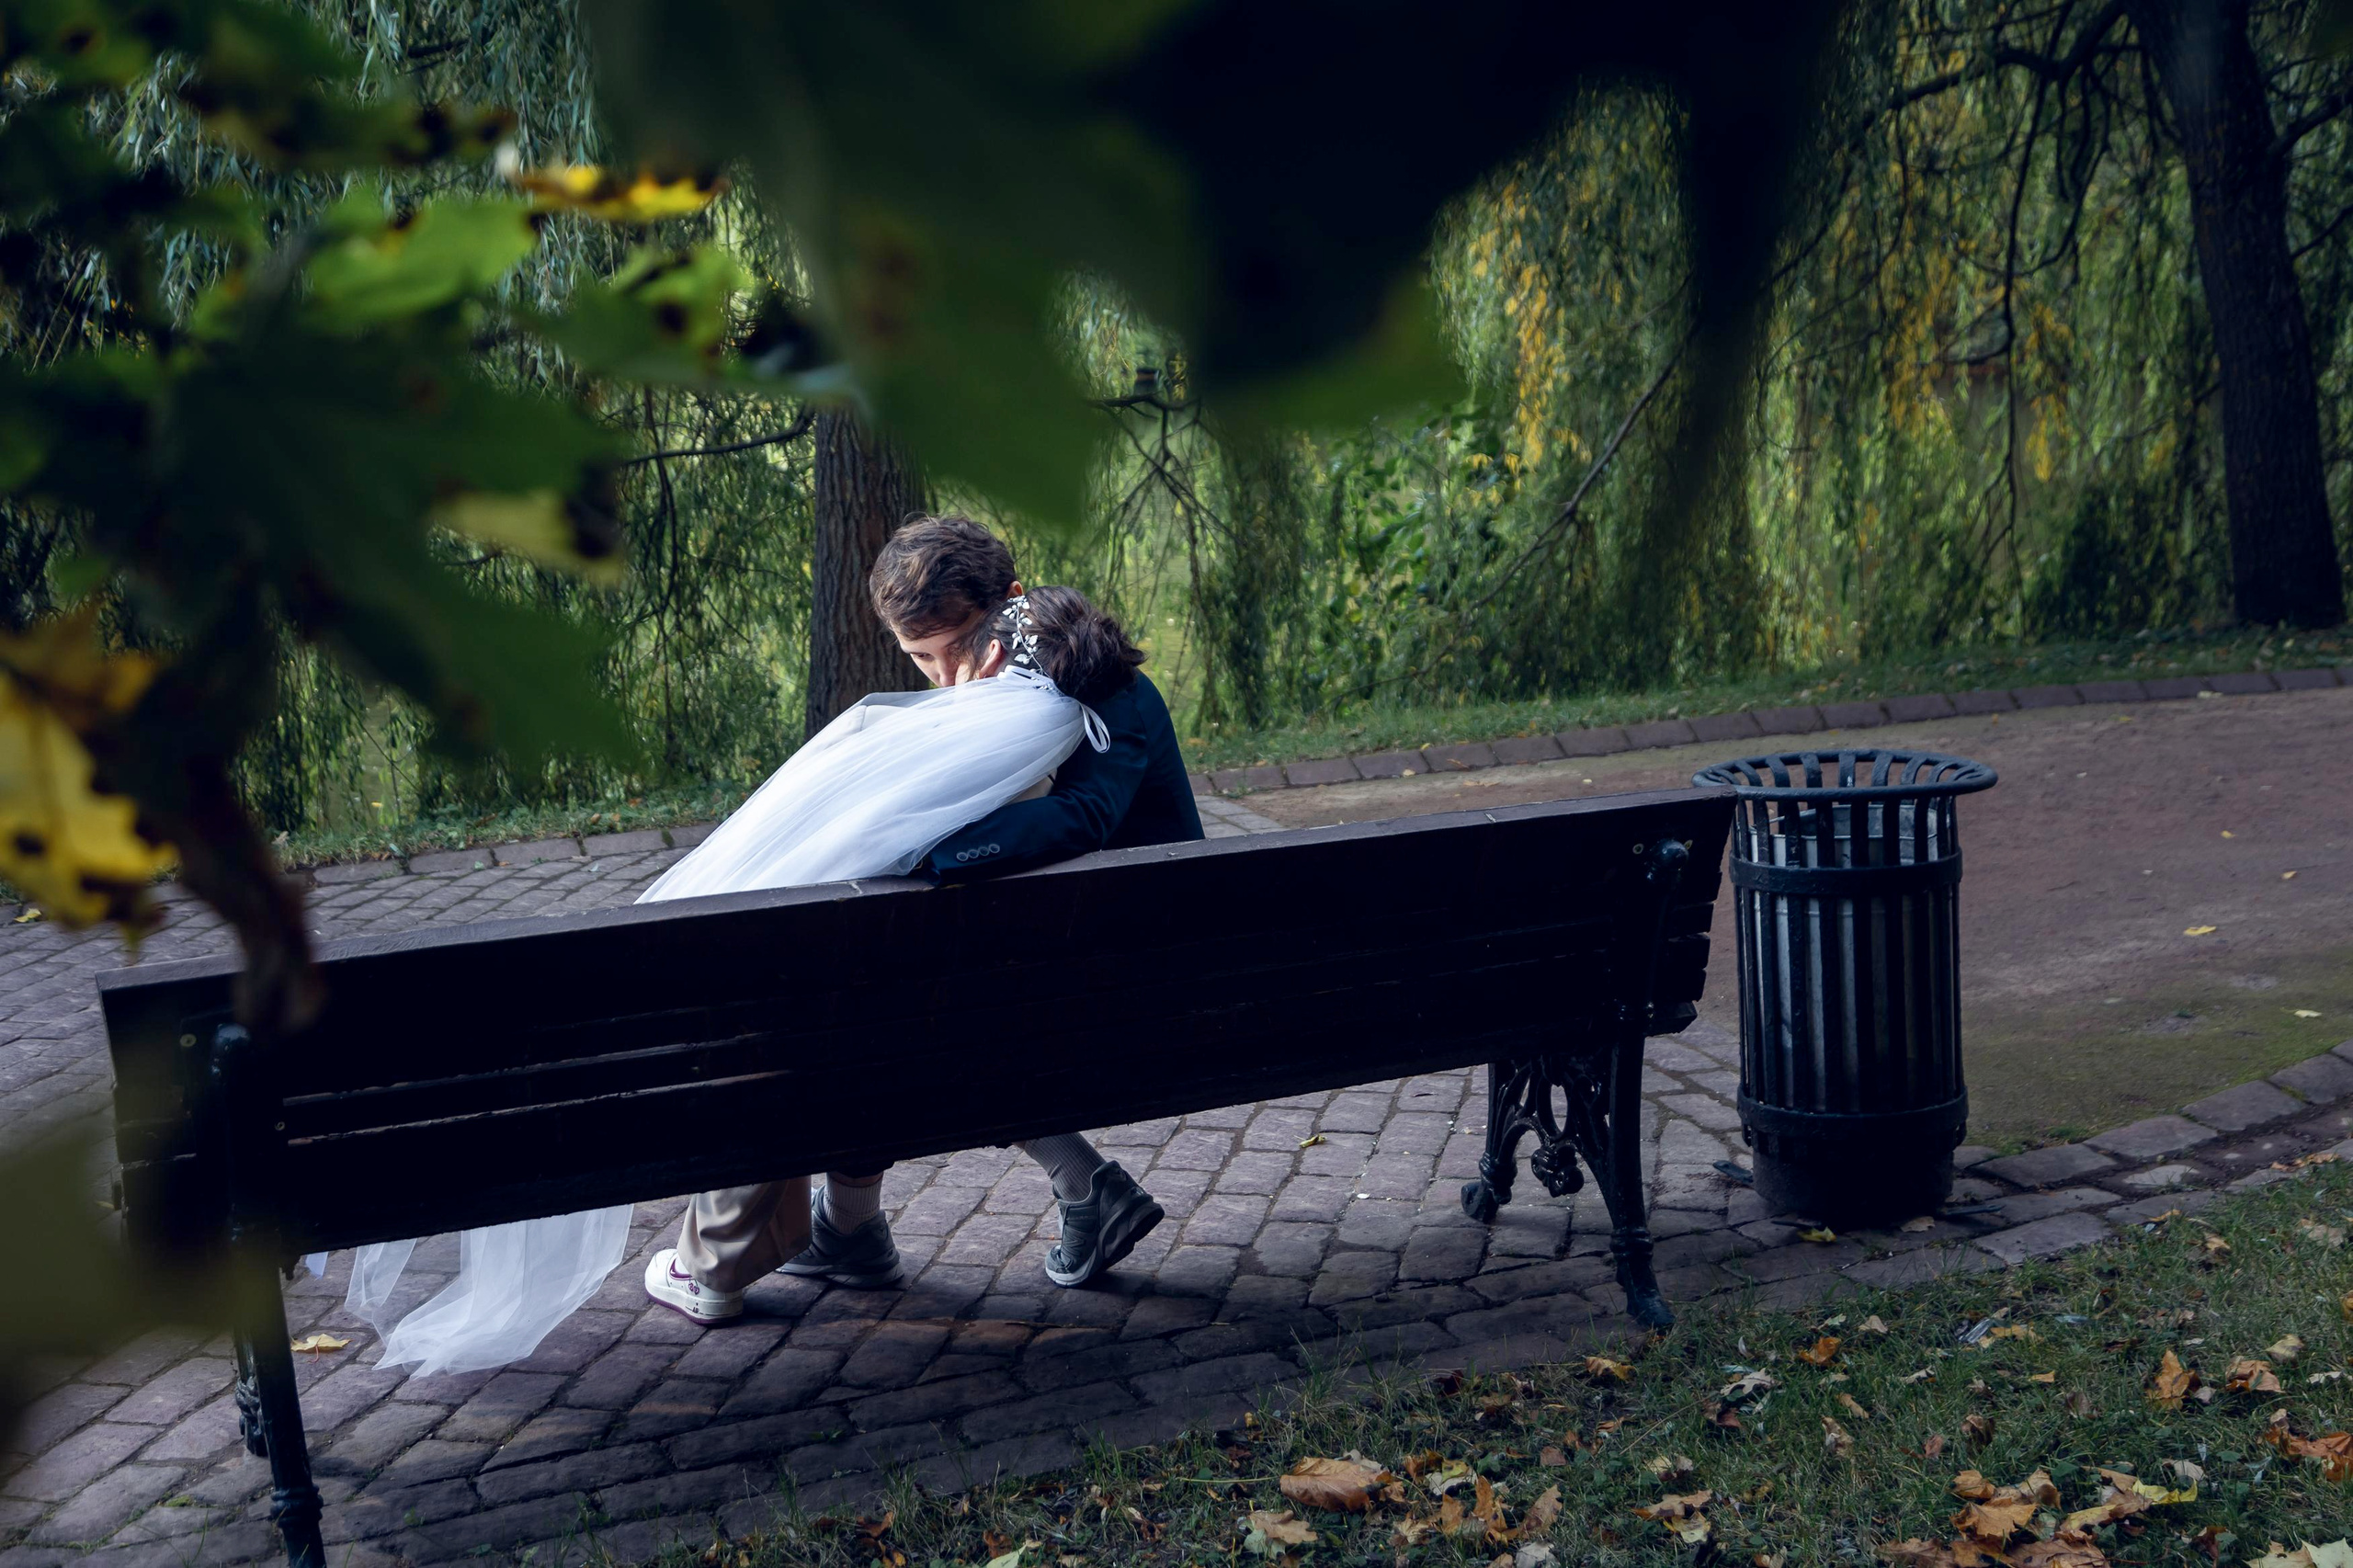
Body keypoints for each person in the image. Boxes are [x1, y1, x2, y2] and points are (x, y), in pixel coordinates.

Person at [643, 518, 1205, 1324]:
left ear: (1009, 604)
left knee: (875, 1016)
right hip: (1074, 957)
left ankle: (755, 1252)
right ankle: (863, 1227)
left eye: (954, 648)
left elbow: (1083, 818)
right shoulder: (1007, 688)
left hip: (1137, 969)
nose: (944, 677)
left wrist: (929, 852)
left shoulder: (1092, 681)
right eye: (919, 659)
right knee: (883, 994)